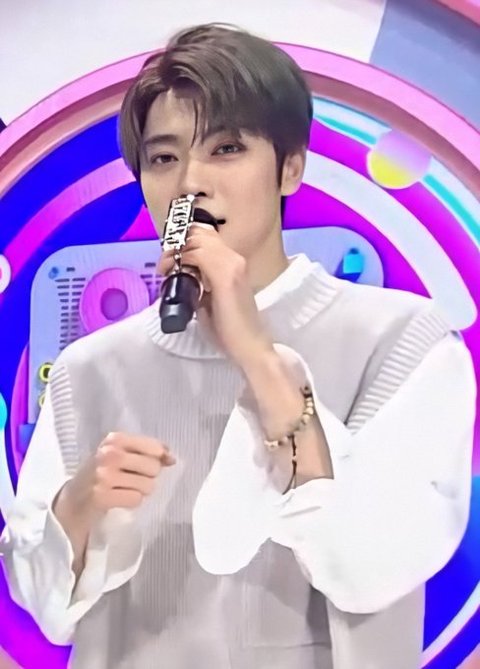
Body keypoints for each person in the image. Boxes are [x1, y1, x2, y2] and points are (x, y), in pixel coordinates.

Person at [0, 23, 476, 669]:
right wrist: (79, 504)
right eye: (164, 159)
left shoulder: (404, 342)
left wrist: (257, 354)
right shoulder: (89, 370)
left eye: (226, 148)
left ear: (290, 167)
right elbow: (45, 607)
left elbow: (375, 566)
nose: (191, 183)